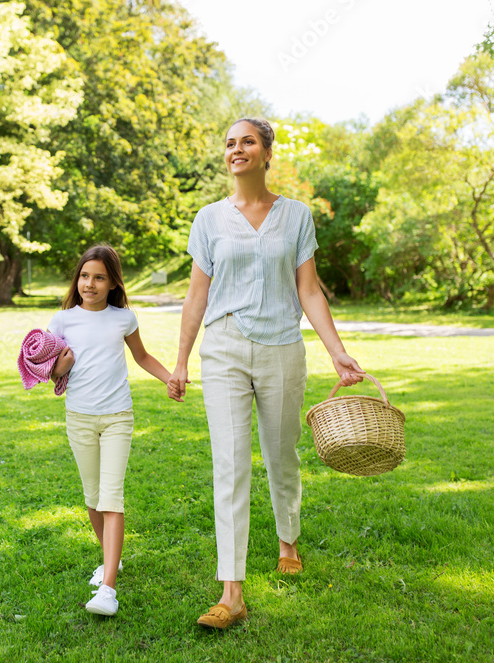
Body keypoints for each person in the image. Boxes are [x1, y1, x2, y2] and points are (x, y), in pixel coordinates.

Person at [167, 117, 365, 629]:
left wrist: (337, 351)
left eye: (247, 142)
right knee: (229, 463)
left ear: (267, 152)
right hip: (225, 349)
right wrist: (182, 358)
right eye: (230, 143)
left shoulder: (296, 216)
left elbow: (309, 290)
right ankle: (231, 591)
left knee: (281, 453)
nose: (237, 150)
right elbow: (197, 295)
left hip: (282, 348)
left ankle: (288, 539)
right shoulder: (208, 219)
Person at [47, 245, 173, 617]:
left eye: (99, 277)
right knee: (92, 496)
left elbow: (142, 357)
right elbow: (50, 374)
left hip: (118, 416)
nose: (90, 283)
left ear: (113, 282)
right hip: (79, 418)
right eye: (85, 276)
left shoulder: (124, 319)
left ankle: (109, 589)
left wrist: (170, 379)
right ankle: (109, 561)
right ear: (77, 280)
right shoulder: (62, 321)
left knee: (111, 498)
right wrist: (61, 365)